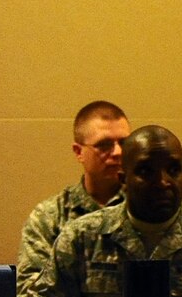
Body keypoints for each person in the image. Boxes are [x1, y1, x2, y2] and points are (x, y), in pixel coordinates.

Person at [19, 126, 182, 297]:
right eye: (146, 172)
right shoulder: (83, 236)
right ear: (123, 179)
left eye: (173, 170)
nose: (163, 182)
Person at [18, 100, 131, 284]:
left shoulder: (146, 208)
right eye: (104, 145)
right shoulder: (51, 217)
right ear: (79, 152)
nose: (118, 152)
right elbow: (30, 294)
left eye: (124, 143)